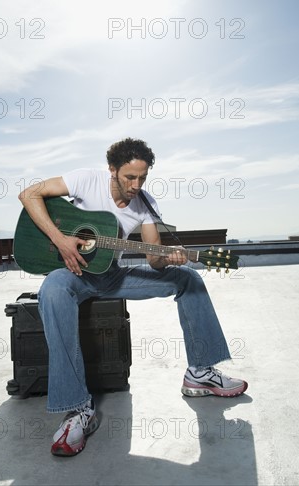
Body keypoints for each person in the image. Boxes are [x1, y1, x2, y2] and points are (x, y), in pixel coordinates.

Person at [18, 138, 248, 457]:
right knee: (53, 289)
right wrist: (61, 240)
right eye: (129, 177)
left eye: (142, 177)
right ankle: (78, 410)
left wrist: (172, 256)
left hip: (112, 276)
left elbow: (154, 257)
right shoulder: (85, 179)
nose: (136, 185)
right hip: (73, 274)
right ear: (112, 170)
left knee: (189, 278)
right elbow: (28, 194)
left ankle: (200, 373)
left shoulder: (145, 204)